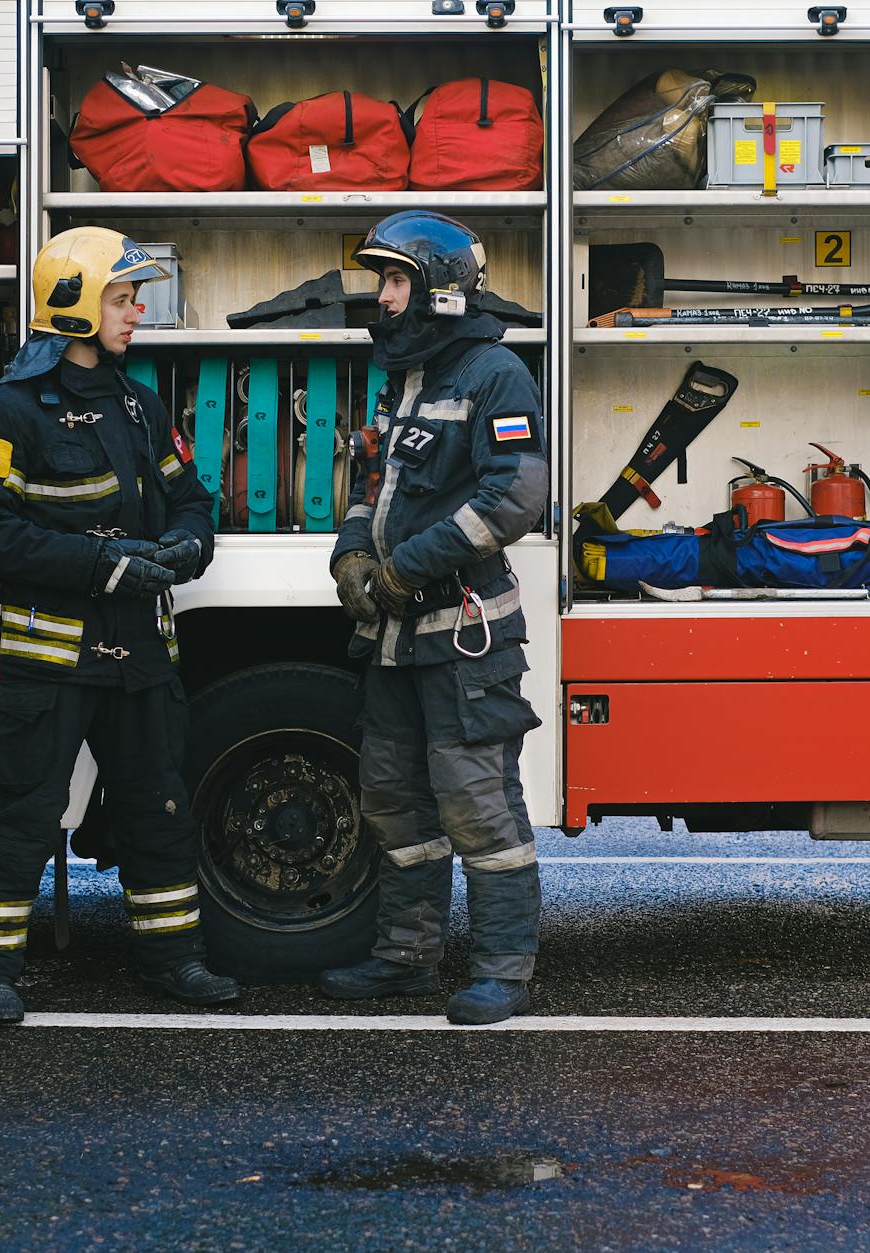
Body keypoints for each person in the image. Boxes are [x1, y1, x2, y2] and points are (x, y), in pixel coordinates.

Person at [0, 226, 237, 1025]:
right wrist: (103, 566)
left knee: (157, 805)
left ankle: (173, 959)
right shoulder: (9, 412)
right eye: (122, 296)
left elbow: (191, 498)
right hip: (51, 659)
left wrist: (187, 543)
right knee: (25, 809)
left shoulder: (140, 404)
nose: (136, 310)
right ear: (72, 302)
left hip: (140, 655)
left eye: (134, 296)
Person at [318, 211, 550, 1026]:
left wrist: (400, 569)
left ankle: (502, 969)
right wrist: (350, 557)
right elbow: (368, 488)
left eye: (394, 280)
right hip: (391, 637)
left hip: (464, 632)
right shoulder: (403, 379)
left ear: (439, 290)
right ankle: (406, 958)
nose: (380, 297)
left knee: (476, 803)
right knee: (392, 800)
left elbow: (516, 498)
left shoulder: (494, 374)